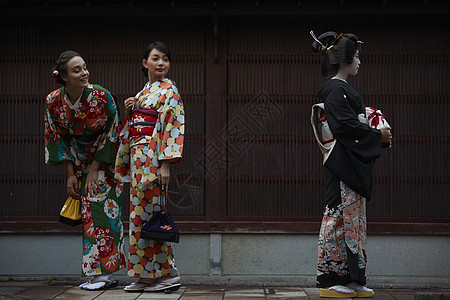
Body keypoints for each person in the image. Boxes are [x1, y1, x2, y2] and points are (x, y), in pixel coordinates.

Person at [310, 31, 392, 298]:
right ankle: (329, 278)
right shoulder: (335, 90)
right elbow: (345, 127)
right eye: (356, 56)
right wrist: (376, 135)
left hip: (350, 161)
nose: (359, 61)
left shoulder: (342, 90)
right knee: (337, 217)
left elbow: (353, 123)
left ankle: (353, 277)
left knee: (353, 221)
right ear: (344, 58)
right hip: (341, 163)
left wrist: (372, 126)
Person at [44, 50, 125, 290]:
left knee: (103, 210)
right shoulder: (53, 101)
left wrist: (95, 167)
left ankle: (104, 275)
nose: (84, 73)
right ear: (64, 77)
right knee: (87, 210)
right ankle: (98, 274)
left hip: (105, 157)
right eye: (77, 70)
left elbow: (113, 131)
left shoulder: (101, 96)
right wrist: (70, 172)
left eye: (85, 67)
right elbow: (56, 137)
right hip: (77, 157)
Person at [115, 42, 185, 292]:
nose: (161, 63)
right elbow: (134, 127)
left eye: (165, 59)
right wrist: (131, 110)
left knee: (155, 216)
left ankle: (166, 274)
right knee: (138, 217)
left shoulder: (170, 90)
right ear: (145, 63)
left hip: (154, 159)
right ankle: (145, 275)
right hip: (138, 158)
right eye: (156, 58)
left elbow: (171, 126)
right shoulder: (145, 91)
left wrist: (165, 164)